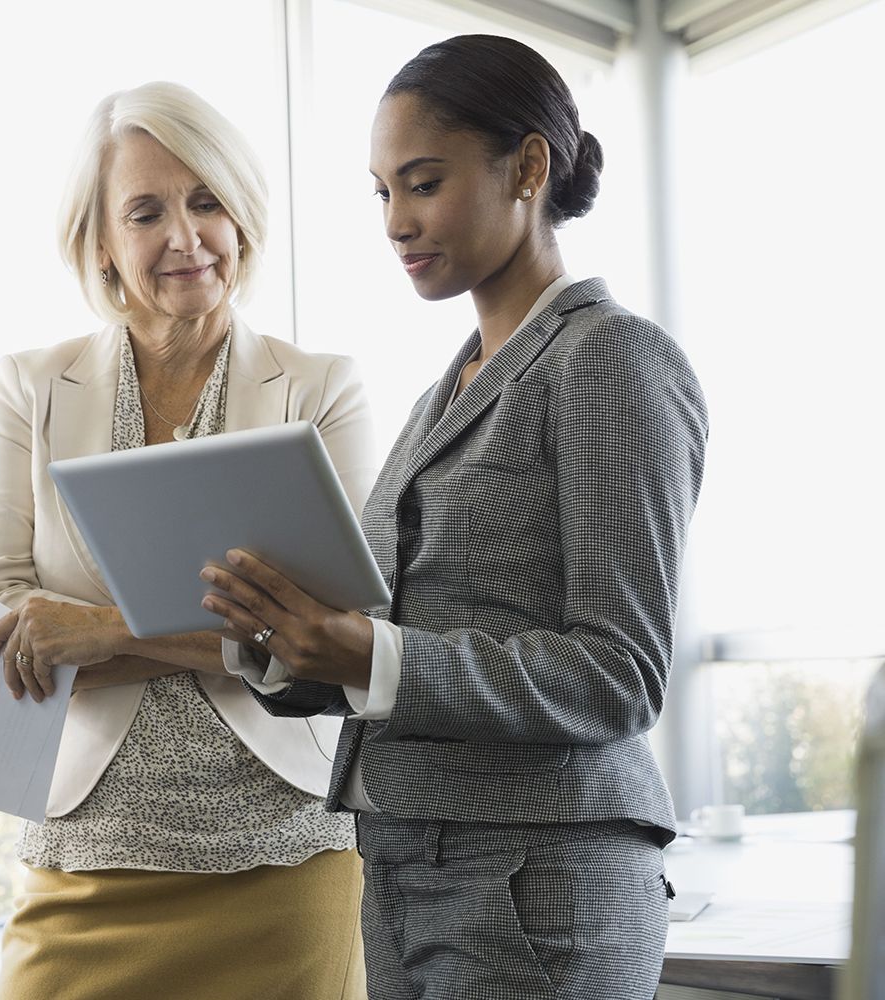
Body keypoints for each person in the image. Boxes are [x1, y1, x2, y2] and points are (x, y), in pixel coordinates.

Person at [199, 34, 709, 1000]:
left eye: (423, 183)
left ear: (528, 168)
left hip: (537, 879)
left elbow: (620, 672)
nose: (397, 220)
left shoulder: (606, 360)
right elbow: (405, 638)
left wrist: (369, 655)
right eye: (382, 191)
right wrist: (285, 636)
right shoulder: (450, 390)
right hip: (402, 869)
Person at [0, 81, 373, 1000]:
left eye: (207, 201)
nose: (185, 237)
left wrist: (102, 633)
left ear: (243, 217)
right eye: (146, 211)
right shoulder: (28, 389)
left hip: (285, 858)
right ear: (101, 242)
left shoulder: (321, 389)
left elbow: (331, 638)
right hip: (80, 855)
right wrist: (235, 640)